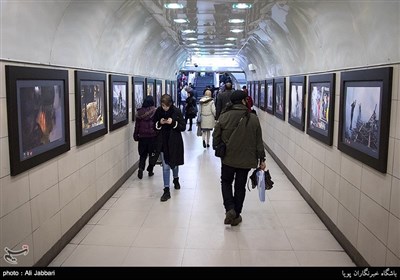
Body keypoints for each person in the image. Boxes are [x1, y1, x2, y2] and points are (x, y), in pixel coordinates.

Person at [212, 90, 266, 226]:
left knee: (226, 182)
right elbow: (259, 141)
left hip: (228, 158)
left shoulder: (224, 116)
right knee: (240, 186)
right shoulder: (253, 118)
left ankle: (229, 208)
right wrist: (262, 159)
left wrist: (218, 146)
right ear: (244, 101)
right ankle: (237, 213)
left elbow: (216, 136)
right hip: (246, 159)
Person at [154, 94, 186, 202]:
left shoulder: (176, 111)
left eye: (167, 106)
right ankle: (166, 190)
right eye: (163, 105)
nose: (165, 108)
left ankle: (176, 179)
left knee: (175, 164)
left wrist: (173, 123)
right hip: (163, 142)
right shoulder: (158, 111)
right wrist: (160, 123)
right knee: (165, 166)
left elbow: (183, 126)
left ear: (171, 104)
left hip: (174, 142)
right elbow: (154, 125)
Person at [133, 96, 157, 179]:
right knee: (152, 154)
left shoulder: (139, 113)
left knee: (142, 155)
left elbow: (137, 126)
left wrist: (135, 135)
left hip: (142, 137)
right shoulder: (155, 111)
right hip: (152, 136)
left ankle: (140, 169)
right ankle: (150, 170)